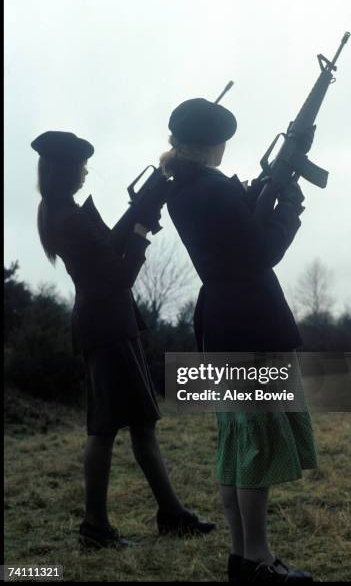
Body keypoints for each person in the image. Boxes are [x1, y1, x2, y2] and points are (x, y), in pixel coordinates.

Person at [31, 130, 215, 550]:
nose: (85, 171)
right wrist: (139, 232)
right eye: (80, 165)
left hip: (107, 325)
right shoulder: (69, 218)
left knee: (135, 425)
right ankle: (99, 527)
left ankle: (169, 515)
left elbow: (106, 250)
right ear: (63, 170)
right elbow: (117, 276)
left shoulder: (62, 213)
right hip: (108, 325)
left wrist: (143, 204)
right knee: (107, 429)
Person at [159, 100, 318, 581]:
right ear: (213, 144)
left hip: (222, 322)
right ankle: (259, 560)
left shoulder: (183, 188)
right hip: (251, 322)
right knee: (256, 450)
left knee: (237, 444)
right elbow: (260, 251)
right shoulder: (211, 187)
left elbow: (233, 241)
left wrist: (256, 195)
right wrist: (288, 205)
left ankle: (241, 556)